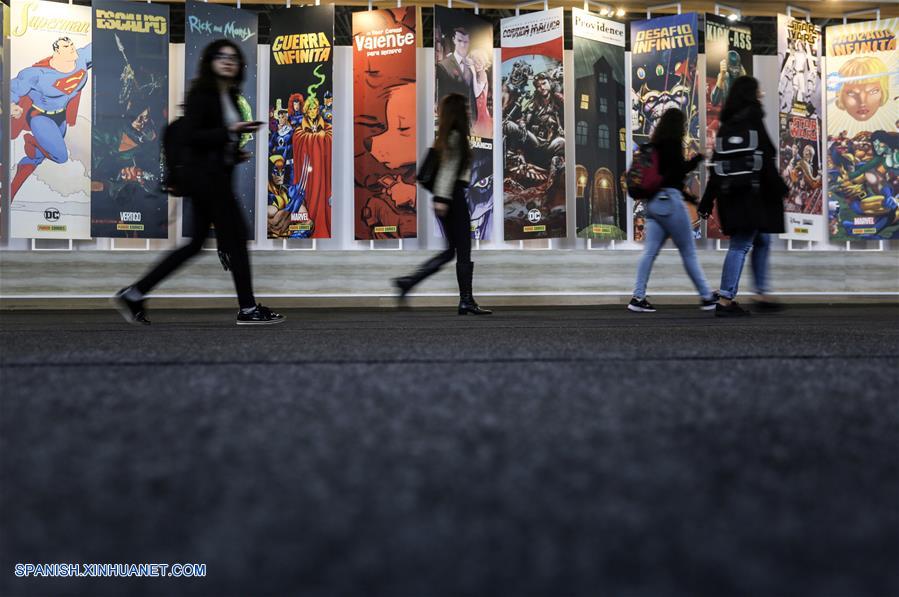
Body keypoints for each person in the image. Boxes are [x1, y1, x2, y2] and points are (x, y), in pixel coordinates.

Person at [114, 40, 284, 326]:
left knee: (195, 245)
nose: (227, 61)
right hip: (209, 182)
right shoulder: (202, 94)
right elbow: (193, 136)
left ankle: (135, 293)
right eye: (221, 56)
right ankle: (248, 308)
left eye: (233, 57)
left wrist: (232, 150)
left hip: (214, 178)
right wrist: (229, 131)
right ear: (210, 61)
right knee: (236, 240)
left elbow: (209, 140)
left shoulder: (228, 95)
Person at [393, 93, 491, 315]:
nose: (468, 110)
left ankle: (408, 282)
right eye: (464, 107)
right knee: (463, 250)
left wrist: (440, 198)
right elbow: (447, 171)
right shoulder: (456, 136)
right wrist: (442, 199)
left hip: (446, 197)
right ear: (457, 112)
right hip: (451, 197)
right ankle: (466, 300)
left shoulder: (447, 136)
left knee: (450, 251)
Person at [699, 76, 788, 316]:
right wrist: (781, 189)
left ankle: (760, 292)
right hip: (751, 193)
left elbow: (716, 165)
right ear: (751, 93)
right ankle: (726, 299)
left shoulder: (725, 125)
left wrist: (707, 200)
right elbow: (766, 157)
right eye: (759, 90)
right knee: (741, 245)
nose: (762, 93)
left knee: (761, 240)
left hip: (731, 194)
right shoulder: (753, 118)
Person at [628, 108, 717, 313]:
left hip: (652, 204)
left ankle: (637, 297)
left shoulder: (655, 145)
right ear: (679, 126)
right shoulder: (673, 144)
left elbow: (666, 177)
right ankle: (706, 296)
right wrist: (698, 158)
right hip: (669, 202)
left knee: (649, 252)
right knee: (688, 251)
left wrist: (688, 197)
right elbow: (677, 174)